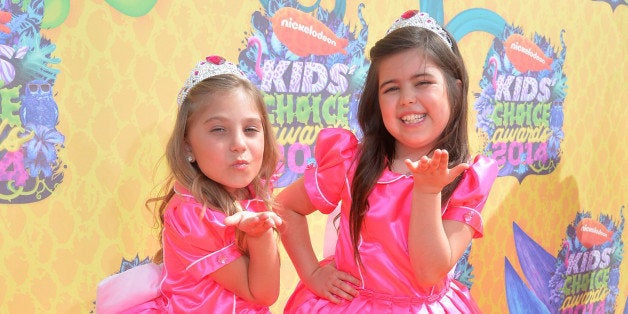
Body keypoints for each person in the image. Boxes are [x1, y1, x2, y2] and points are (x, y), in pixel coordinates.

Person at [276, 10, 499, 313]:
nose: (407, 98)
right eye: (392, 88)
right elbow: (285, 206)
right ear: (376, 99)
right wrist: (312, 273)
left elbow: (429, 271)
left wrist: (428, 192)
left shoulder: (463, 178)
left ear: (455, 90)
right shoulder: (351, 162)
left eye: (423, 82)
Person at [96, 55, 282, 313]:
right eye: (219, 130)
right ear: (187, 147)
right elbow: (262, 293)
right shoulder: (191, 215)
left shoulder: (252, 191)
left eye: (250, 129)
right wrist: (261, 237)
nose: (239, 143)